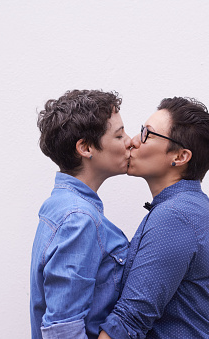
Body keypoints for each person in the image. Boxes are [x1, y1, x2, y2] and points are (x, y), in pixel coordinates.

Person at [99, 97, 209, 338]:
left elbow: (130, 319)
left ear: (179, 157)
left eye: (147, 134)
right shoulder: (188, 207)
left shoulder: (176, 216)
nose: (133, 141)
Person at [30, 90, 131, 339]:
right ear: (85, 148)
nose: (130, 141)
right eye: (119, 135)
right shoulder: (78, 218)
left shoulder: (61, 206)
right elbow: (63, 330)